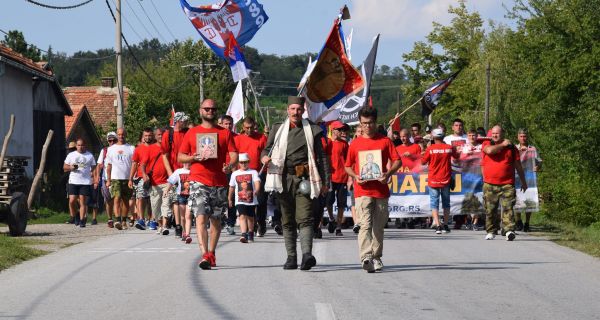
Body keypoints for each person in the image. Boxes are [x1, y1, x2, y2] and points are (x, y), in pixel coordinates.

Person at [261, 96, 330, 271]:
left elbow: (322, 157)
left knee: (305, 218)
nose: (295, 112)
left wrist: (325, 181)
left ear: (303, 111)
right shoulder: (277, 129)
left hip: (304, 179)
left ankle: (307, 255)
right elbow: (266, 149)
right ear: (287, 110)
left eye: (298, 109)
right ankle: (291, 257)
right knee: (287, 220)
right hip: (283, 179)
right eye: (292, 109)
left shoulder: (312, 130)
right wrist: (264, 158)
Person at [178, 99, 238, 270]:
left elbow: (234, 154)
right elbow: (180, 156)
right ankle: (204, 254)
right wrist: (193, 158)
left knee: (216, 221)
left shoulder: (225, 133)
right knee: (201, 217)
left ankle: (211, 253)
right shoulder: (192, 133)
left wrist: (230, 165)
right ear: (200, 111)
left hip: (219, 181)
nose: (210, 111)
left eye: (212, 109)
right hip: (198, 180)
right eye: (206, 109)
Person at [345, 107, 401, 273]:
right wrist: (355, 176)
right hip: (362, 191)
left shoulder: (385, 141)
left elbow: (398, 161)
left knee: (378, 226)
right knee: (364, 225)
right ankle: (366, 257)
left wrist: (388, 173)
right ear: (360, 124)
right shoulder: (355, 143)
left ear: (375, 122)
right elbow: (347, 166)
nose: (366, 127)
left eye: (369, 123)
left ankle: (376, 257)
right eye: (363, 124)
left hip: (381, 191)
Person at [481, 125, 528, 241]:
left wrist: (523, 181)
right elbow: (490, 151)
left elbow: (518, 165)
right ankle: (491, 231)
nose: (495, 135)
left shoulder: (511, 148)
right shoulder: (486, 144)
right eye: (493, 133)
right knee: (490, 210)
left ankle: (509, 230)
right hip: (490, 183)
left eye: (497, 133)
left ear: (503, 134)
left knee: (508, 208)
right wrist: (503, 145)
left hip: (507, 183)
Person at [234, 117, 271, 236]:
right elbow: (234, 156)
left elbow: (266, 152)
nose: (249, 130)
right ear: (243, 127)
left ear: (254, 126)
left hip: (259, 173)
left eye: (251, 127)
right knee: (247, 201)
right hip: (244, 175)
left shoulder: (261, 138)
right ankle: (252, 225)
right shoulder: (238, 139)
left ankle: (261, 223)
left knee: (261, 200)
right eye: (246, 128)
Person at [422, 128, 459, 235]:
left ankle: (438, 225)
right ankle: (446, 225)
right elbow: (457, 156)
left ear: (433, 137)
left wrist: (424, 152)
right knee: (446, 203)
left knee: (434, 203)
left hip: (433, 180)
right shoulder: (449, 147)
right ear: (443, 136)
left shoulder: (430, 149)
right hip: (446, 179)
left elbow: (423, 162)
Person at [162, 112, 190, 237]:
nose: (186, 123)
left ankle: (185, 224)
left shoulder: (188, 133)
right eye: (184, 121)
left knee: (184, 199)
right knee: (176, 200)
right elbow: (165, 155)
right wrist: (170, 173)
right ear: (178, 121)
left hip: (187, 170)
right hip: (175, 171)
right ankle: (178, 225)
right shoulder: (169, 134)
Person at [140, 129, 170, 236]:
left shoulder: (169, 148)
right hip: (154, 183)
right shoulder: (151, 148)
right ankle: (160, 224)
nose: (161, 136)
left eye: (162, 135)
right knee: (155, 207)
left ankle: (165, 226)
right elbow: (143, 164)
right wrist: (144, 174)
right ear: (155, 136)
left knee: (165, 205)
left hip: (167, 182)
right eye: (159, 135)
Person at [105, 128, 135, 230]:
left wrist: (131, 178)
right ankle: (117, 220)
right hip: (115, 178)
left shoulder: (131, 148)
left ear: (125, 135)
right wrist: (108, 180)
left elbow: (134, 164)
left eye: (122, 134)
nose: (121, 136)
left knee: (126, 201)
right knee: (116, 198)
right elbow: (108, 166)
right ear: (117, 135)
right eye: (119, 134)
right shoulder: (111, 149)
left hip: (127, 178)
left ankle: (124, 221)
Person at [63, 138, 96, 228]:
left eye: (82, 145)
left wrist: (92, 174)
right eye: (78, 145)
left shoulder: (89, 155)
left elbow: (93, 166)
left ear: (85, 145)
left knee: (82, 202)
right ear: (76, 146)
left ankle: (82, 220)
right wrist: (71, 167)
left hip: (85, 182)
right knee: (72, 200)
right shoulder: (71, 155)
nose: (80, 147)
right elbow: (64, 167)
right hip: (73, 180)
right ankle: (76, 214)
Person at [229, 153, 261, 243]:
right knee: (242, 216)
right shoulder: (235, 174)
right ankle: (244, 234)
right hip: (239, 200)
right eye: (242, 162)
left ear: (248, 162)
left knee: (250, 217)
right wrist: (229, 198)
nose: (244, 164)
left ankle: (250, 232)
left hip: (251, 200)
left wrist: (257, 190)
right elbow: (231, 187)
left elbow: (257, 182)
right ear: (239, 163)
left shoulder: (253, 172)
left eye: (245, 162)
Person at [515, 128, 542, 232]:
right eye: (521, 136)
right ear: (518, 137)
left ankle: (527, 223)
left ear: (527, 137)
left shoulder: (532, 149)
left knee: (529, 201)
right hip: (517, 177)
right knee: (517, 199)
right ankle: (518, 221)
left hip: (530, 178)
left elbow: (539, 161)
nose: (523, 138)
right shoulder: (514, 148)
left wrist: (538, 166)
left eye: (525, 136)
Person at [325, 121, 349, 236]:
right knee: (328, 201)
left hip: (343, 177)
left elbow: (349, 162)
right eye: (339, 130)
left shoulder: (345, 144)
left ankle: (338, 227)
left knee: (341, 204)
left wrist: (349, 178)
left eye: (342, 130)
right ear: (333, 130)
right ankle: (331, 218)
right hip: (330, 178)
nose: (341, 132)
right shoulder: (328, 143)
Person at [219, 115, 240, 236]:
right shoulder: (217, 137)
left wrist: (235, 169)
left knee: (232, 198)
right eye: (225, 124)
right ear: (221, 124)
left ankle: (231, 223)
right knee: (220, 198)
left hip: (233, 171)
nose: (228, 126)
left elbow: (239, 155)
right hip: (220, 171)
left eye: (230, 124)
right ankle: (220, 220)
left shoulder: (237, 138)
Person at [460, 129, 484, 230]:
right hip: (468, 176)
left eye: (473, 135)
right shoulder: (464, 147)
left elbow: (484, 157)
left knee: (479, 198)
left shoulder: (481, 146)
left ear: (476, 136)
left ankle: (476, 221)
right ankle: (469, 218)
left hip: (479, 175)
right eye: (470, 135)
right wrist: (467, 155)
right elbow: (460, 160)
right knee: (469, 198)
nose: (471, 137)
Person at [130, 128, 153, 230]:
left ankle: (152, 219)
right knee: (141, 197)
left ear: (152, 136)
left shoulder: (157, 147)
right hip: (140, 176)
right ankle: (141, 219)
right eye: (146, 136)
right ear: (143, 137)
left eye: (149, 135)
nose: (147, 137)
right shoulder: (138, 149)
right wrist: (130, 178)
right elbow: (134, 164)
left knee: (152, 199)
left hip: (154, 176)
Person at [167, 162, 192, 243]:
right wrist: (166, 190)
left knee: (188, 216)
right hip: (181, 196)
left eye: (189, 162)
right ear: (183, 163)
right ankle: (184, 232)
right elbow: (171, 181)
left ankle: (188, 234)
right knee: (182, 217)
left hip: (191, 196)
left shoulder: (193, 171)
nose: (188, 164)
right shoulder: (178, 171)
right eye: (186, 162)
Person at [96, 132, 117, 228]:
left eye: (114, 140)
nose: (112, 142)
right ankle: (110, 218)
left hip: (117, 177)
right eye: (110, 140)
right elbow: (99, 165)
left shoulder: (119, 150)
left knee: (117, 198)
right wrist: (97, 176)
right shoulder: (104, 151)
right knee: (108, 200)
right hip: (105, 179)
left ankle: (118, 218)